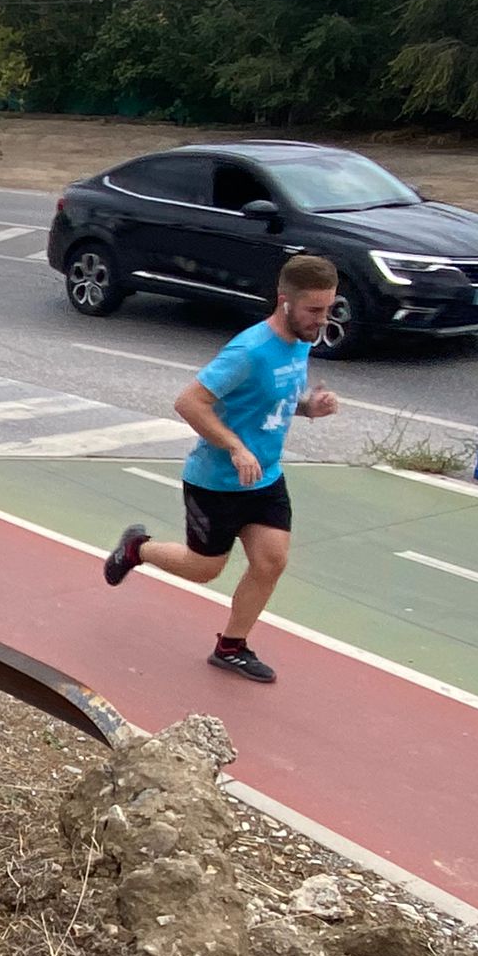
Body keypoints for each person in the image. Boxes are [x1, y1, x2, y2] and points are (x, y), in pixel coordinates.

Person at [102, 254, 341, 684]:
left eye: (328, 309)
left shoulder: (301, 342)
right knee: (204, 569)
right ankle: (138, 547)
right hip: (215, 481)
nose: (322, 320)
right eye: (314, 310)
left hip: (265, 476)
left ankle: (231, 646)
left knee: (271, 562)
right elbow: (189, 402)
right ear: (284, 301)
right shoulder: (248, 350)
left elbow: (272, 403)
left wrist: (308, 408)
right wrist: (234, 446)